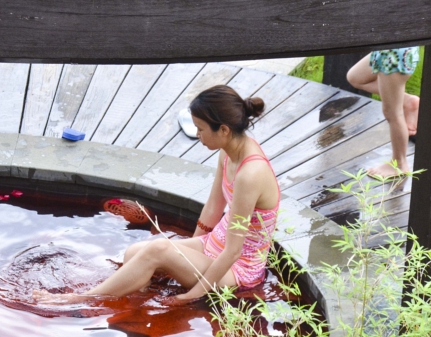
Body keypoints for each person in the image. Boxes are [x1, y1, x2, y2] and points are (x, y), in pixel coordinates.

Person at [34, 86, 280, 305]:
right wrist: (187, 259)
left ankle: (80, 300)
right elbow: (213, 208)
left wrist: (190, 295)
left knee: (158, 250)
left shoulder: (250, 174)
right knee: (134, 253)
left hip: (238, 269)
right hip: (212, 245)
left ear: (223, 130)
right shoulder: (228, 150)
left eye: (201, 129)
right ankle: (134, 310)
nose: (197, 135)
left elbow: (234, 252)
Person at [346, 47, 421, 178]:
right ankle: (408, 101)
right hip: (384, 50)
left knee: (393, 113)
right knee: (355, 77)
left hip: (394, 55)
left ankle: (399, 163)